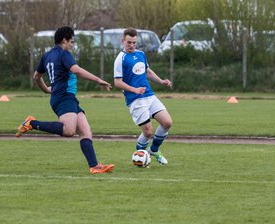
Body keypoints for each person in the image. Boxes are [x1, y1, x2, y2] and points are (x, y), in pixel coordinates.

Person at [15, 26, 114, 174]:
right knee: (68, 130)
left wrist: (47, 90)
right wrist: (98, 80)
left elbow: (36, 76)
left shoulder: (47, 55)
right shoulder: (64, 53)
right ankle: (31, 123)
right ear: (64, 40)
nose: (73, 45)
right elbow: (77, 70)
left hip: (66, 98)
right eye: (72, 42)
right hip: (63, 97)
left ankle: (94, 166)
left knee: (86, 132)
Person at [113, 28, 173, 165]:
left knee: (167, 122)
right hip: (135, 100)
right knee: (148, 132)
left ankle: (154, 150)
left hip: (149, 96)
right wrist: (134, 90)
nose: (132, 45)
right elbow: (117, 82)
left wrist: (161, 81)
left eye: (134, 42)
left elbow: (148, 72)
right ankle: (139, 157)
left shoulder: (141, 54)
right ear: (123, 41)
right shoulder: (120, 59)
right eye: (129, 42)